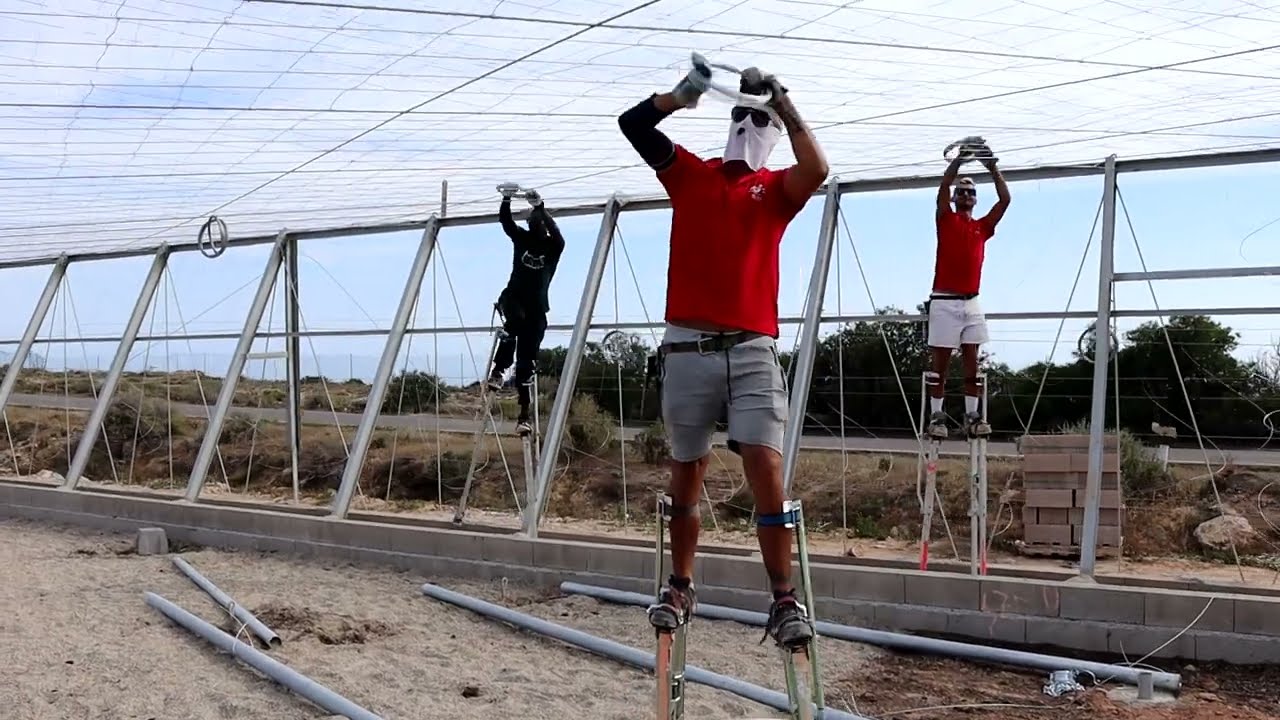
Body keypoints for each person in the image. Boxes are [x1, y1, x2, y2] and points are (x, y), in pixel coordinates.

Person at [616, 59, 828, 648]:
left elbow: (819, 167)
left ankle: (783, 599)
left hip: (751, 348)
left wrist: (783, 104)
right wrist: (680, 96)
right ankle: (680, 585)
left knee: (766, 467)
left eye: (758, 120)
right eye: (741, 114)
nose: (747, 124)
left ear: (773, 133)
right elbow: (634, 126)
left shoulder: (775, 191)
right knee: (687, 473)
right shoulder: (692, 174)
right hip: (687, 348)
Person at [925, 143, 1011, 440]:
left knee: (973, 360)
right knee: (941, 364)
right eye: (961, 191)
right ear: (954, 197)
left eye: (970, 192)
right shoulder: (945, 219)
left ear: (975, 200)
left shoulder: (982, 227)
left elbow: (1005, 200)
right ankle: (937, 415)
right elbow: (944, 184)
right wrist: (960, 161)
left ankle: (972, 414)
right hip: (944, 300)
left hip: (971, 301)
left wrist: (992, 167)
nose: (965, 195)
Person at [487, 187, 564, 437]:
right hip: (514, 299)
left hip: (537, 309)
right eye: (534, 221)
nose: (536, 225)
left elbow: (560, 237)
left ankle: (524, 416)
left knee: (526, 365)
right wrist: (506, 199)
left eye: (539, 222)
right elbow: (506, 222)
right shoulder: (523, 240)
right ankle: (499, 371)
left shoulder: (553, 249)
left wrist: (541, 208)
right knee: (514, 322)